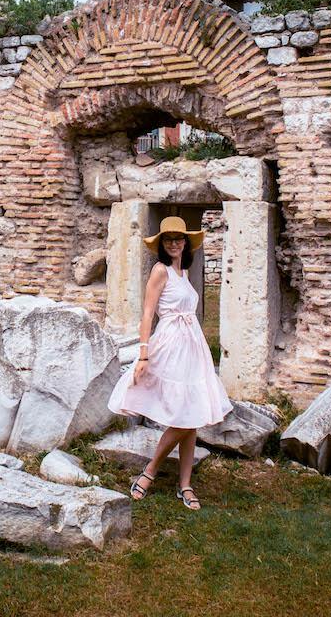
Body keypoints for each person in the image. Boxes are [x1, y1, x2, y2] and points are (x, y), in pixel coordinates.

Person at [107, 215, 232, 510]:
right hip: (170, 345)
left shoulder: (183, 272)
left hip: (192, 347)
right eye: (168, 239)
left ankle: (185, 484)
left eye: (178, 239)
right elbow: (147, 313)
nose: (174, 243)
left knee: (192, 416)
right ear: (162, 244)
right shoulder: (160, 270)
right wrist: (143, 353)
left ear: (185, 242)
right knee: (182, 416)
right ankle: (151, 470)